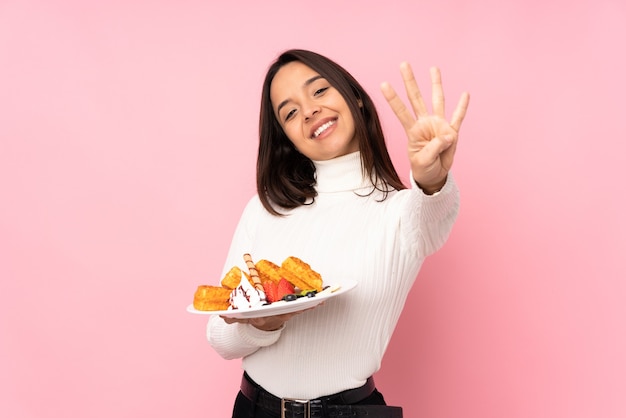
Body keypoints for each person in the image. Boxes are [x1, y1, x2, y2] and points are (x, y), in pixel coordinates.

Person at [205, 49, 470, 418]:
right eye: (290, 112)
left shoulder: (401, 212)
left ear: (355, 97)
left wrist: (431, 178)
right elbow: (219, 335)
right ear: (288, 138)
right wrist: (261, 328)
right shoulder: (265, 208)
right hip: (254, 409)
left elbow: (434, 211)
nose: (310, 111)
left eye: (319, 91)